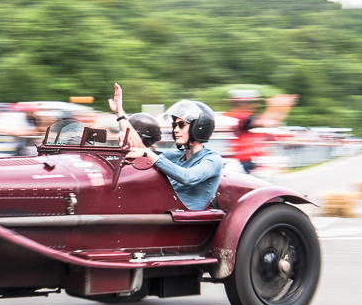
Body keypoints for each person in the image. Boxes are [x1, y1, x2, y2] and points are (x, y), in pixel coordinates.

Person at [109, 83, 224, 211]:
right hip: (162, 214)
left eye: (181, 125)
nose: (175, 130)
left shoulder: (213, 160)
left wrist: (149, 154)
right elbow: (141, 149)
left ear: (198, 127)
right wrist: (120, 114)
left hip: (187, 222)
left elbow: (187, 177)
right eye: (174, 125)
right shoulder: (172, 156)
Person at [225, 88, 296, 174]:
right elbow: (266, 122)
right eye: (253, 103)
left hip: (250, 161)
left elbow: (271, 123)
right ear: (241, 103)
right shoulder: (238, 117)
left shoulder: (243, 116)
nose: (255, 105)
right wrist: (277, 107)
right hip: (243, 162)